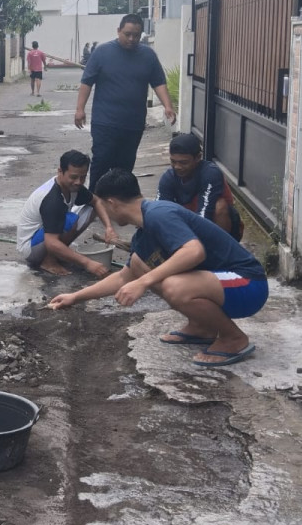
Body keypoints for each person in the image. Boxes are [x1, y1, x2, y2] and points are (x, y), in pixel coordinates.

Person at [49, 169, 267, 367]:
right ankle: (202, 327)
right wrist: (75, 297)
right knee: (137, 264)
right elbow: (124, 276)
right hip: (221, 287)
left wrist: (143, 283)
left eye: (103, 207)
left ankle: (233, 339)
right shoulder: (143, 233)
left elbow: (194, 251)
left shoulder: (159, 213)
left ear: (112, 203)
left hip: (248, 284)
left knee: (173, 285)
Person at [74, 14, 177, 190]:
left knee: (126, 165)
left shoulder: (148, 56)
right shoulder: (102, 52)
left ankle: (119, 202)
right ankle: (95, 201)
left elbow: (158, 82)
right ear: (118, 31)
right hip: (105, 121)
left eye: (136, 35)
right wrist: (80, 109)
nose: (131, 39)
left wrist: (168, 106)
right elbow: (87, 82)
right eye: (127, 34)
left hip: (133, 123)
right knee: (102, 161)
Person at [17, 150, 118, 277]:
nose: (78, 182)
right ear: (60, 171)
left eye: (83, 177)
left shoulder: (73, 186)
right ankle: (49, 261)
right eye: (74, 177)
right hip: (31, 247)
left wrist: (109, 228)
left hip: (45, 237)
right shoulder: (52, 198)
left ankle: (58, 254)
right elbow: (51, 242)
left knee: (91, 209)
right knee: (70, 220)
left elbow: (96, 201)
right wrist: (87, 263)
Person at [157, 133, 244, 241]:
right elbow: (159, 211)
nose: (177, 167)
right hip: (187, 227)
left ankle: (221, 251)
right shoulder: (168, 177)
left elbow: (204, 214)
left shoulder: (211, 173)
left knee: (219, 206)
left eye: (184, 162)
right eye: (173, 162)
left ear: (198, 157)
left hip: (216, 226)